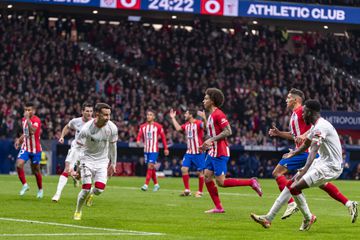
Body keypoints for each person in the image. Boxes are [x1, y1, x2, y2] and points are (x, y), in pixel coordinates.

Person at [251, 100, 358, 231]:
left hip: (331, 167)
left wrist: (304, 170)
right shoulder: (315, 126)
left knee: (295, 187)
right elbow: (306, 144)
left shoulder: (321, 127)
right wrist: (294, 153)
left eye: (304, 112)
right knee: (291, 185)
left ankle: (308, 217)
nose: (302, 115)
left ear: (310, 112)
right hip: (322, 163)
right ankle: (268, 218)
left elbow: (313, 150)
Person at [269, 88, 356, 219]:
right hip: (309, 153)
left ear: (296, 100)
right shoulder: (295, 115)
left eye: (288, 97)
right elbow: (297, 135)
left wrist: (303, 138)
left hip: (307, 153)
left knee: (279, 174)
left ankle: (294, 206)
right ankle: (348, 203)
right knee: (321, 184)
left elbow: (312, 130)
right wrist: (280, 134)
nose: (286, 100)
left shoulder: (300, 112)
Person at [201, 88, 262, 214]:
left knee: (221, 182)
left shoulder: (219, 114)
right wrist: (206, 144)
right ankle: (218, 207)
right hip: (212, 151)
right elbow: (213, 134)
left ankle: (251, 181)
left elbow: (228, 131)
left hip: (220, 152)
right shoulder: (211, 116)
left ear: (212, 101)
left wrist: (211, 139)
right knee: (207, 177)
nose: (203, 100)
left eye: (206, 98)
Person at [73, 103, 118, 220]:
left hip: (102, 161)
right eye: (105, 115)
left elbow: (113, 146)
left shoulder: (112, 128)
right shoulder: (86, 129)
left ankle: (92, 194)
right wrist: (75, 166)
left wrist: (113, 163)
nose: (108, 118)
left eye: (109, 115)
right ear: (97, 114)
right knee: (85, 188)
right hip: (86, 159)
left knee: (99, 189)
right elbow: (77, 148)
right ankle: (78, 211)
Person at [52, 103, 93, 202]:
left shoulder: (94, 123)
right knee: (67, 169)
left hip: (87, 151)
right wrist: (62, 136)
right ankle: (57, 195)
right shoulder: (76, 121)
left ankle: (76, 177)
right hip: (76, 148)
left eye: (91, 111)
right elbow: (67, 127)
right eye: (87, 111)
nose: (89, 113)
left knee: (82, 175)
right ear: (82, 111)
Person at [169, 108, 206, 197]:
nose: (184, 115)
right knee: (184, 169)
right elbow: (178, 128)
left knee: (200, 172)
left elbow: (205, 126)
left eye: (186, 113)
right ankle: (187, 190)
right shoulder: (187, 125)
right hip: (189, 152)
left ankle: (200, 192)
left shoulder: (198, 123)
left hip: (199, 152)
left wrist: (204, 118)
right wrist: (173, 118)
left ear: (190, 115)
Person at [14, 102, 43, 198]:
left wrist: (27, 119)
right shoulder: (23, 120)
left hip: (36, 150)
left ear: (33, 111)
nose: (27, 111)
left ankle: (40, 190)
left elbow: (32, 131)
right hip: (26, 148)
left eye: (29, 110)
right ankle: (25, 185)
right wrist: (19, 140)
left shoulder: (36, 120)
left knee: (36, 171)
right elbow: (26, 133)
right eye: (25, 110)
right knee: (19, 165)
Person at [137, 110, 169, 192]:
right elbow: (139, 135)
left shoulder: (158, 126)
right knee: (151, 168)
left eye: (150, 115)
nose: (148, 116)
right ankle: (156, 184)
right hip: (146, 150)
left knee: (150, 166)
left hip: (154, 150)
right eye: (147, 114)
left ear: (154, 117)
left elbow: (163, 138)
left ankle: (146, 185)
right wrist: (138, 140)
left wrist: (166, 148)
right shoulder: (142, 126)